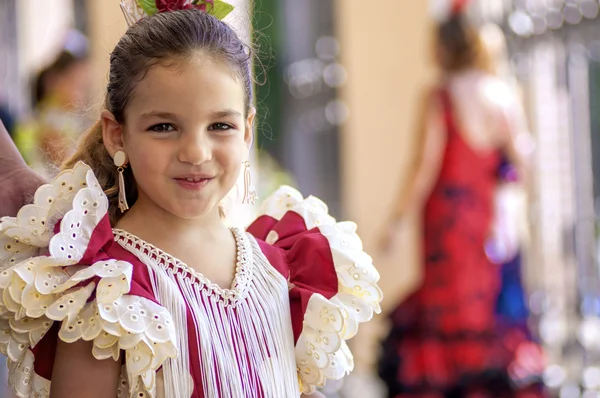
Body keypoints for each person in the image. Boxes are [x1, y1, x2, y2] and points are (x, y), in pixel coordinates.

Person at [0, 2, 382, 398]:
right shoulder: (106, 296)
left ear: (247, 131)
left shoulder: (283, 271)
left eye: (220, 125)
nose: (196, 152)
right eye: (164, 127)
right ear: (117, 134)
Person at [377, 10, 543, 398]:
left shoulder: (440, 96)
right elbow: (522, 163)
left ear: (445, 48)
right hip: (487, 223)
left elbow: (423, 166)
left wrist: (397, 221)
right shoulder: (502, 93)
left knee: (446, 314)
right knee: (485, 311)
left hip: (447, 225)